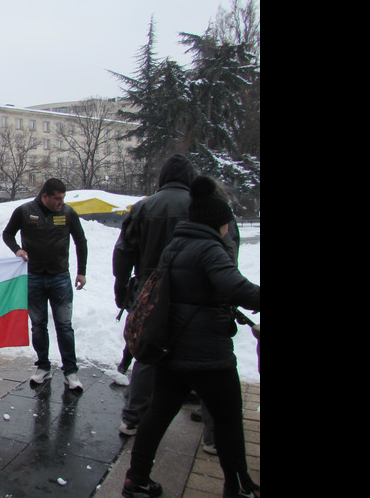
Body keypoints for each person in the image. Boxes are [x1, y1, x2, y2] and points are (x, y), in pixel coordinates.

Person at [121, 176, 260, 498]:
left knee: (156, 414)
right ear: (218, 223)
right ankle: (236, 485)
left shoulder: (175, 246)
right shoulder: (211, 249)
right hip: (208, 354)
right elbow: (234, 287)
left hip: (174, 347)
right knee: (227, 418)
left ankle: (136, 479)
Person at [112, 154, 197, 436]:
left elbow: (124, 252)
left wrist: (121, 289)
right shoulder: (204, 206)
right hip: (194, 292)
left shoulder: (143, 207)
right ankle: (212, 433)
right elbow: (226, 251)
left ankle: (132, 417)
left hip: (149, 289)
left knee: (146, 354)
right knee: (201, 353)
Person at [2, 178, 88, 389]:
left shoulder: (68, 213)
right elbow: (7, 234)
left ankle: (71, 372)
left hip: (60, 277)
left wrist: (82, 272)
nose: (61, 202)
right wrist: (17, 249)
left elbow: (81, 241)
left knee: (64, 326)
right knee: (39, 325)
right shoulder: (24, 211)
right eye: (57, 198)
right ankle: (43, 367)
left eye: (63, 198)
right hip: (34, 277)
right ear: (45, 196)